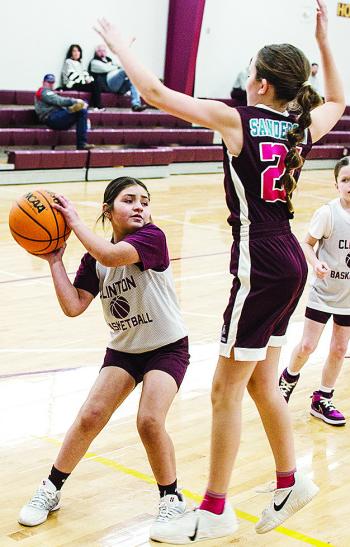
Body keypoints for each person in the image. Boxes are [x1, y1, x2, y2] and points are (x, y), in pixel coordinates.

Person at [93, 0, 344, 542]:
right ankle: (290, 480)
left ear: (260, 83)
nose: (246, 74)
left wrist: (122, 50)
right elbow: (341, 100)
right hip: (290, 263)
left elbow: (158, 95)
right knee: (257, 382)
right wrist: (325, 38)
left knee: (222, 391)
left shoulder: (239, 120)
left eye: (251, 68)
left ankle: (214, 510)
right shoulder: (298, 126)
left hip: (260, 261)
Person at [18, 176, 189, 536]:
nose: (140, 206)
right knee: (90, 416)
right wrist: (54, 262)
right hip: (124, 350)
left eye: (145, 200)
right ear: (108, 210)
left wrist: (74, 221)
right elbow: (74, 306)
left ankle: (172, 499)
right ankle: (51, 489)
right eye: (129, 200)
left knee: (149, 421)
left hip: (167, 347)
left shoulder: (151, 238)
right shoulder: (94, 260)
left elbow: (111, 254)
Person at [279, 156, 350, 426]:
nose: (349, 184)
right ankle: (287, 379)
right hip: (324, 293)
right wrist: (316, 262)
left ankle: (323, 398)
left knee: (339, 348)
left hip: (348, 298)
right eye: (345, 180)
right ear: (336, 185)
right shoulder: (328, 213)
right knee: (308, 345)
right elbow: (307, 243)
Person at [34, 73, 93, 150]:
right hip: (51, 118)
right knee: (81, 110)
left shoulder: (49, 92)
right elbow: (59, 101)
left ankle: (82, 143)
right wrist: (75, 101)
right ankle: (81, 143)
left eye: (52, 82)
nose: (51, 84)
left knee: (82, 110)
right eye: (49, 82)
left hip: (57, 116)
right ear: (43, 82)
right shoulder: (43, 92)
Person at [88, 44, 147, 112]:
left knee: (133, 81)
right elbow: (106, 68)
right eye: (99, 51)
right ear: (96, 52)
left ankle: (136, 105)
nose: (102, 52)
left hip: (118, 87)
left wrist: (116, 66)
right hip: (107, 86)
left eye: (104, 51)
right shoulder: (94, 62)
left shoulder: (109, 60)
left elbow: (117, 66)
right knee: (125, 70)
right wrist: (117, 67)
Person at [61, 44, 101, 109]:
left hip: (80, 83)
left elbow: (85, 73)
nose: (76, 53)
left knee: (96, 83)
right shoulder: (68, 62)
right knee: (94, 85)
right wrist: (84, 81)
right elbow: (71, 76)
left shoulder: (79, 63)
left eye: (78, 51)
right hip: (71, 84)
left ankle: (96, 106)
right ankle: (97, 106)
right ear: (71, 53)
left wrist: (89, 79)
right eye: (74, 51)